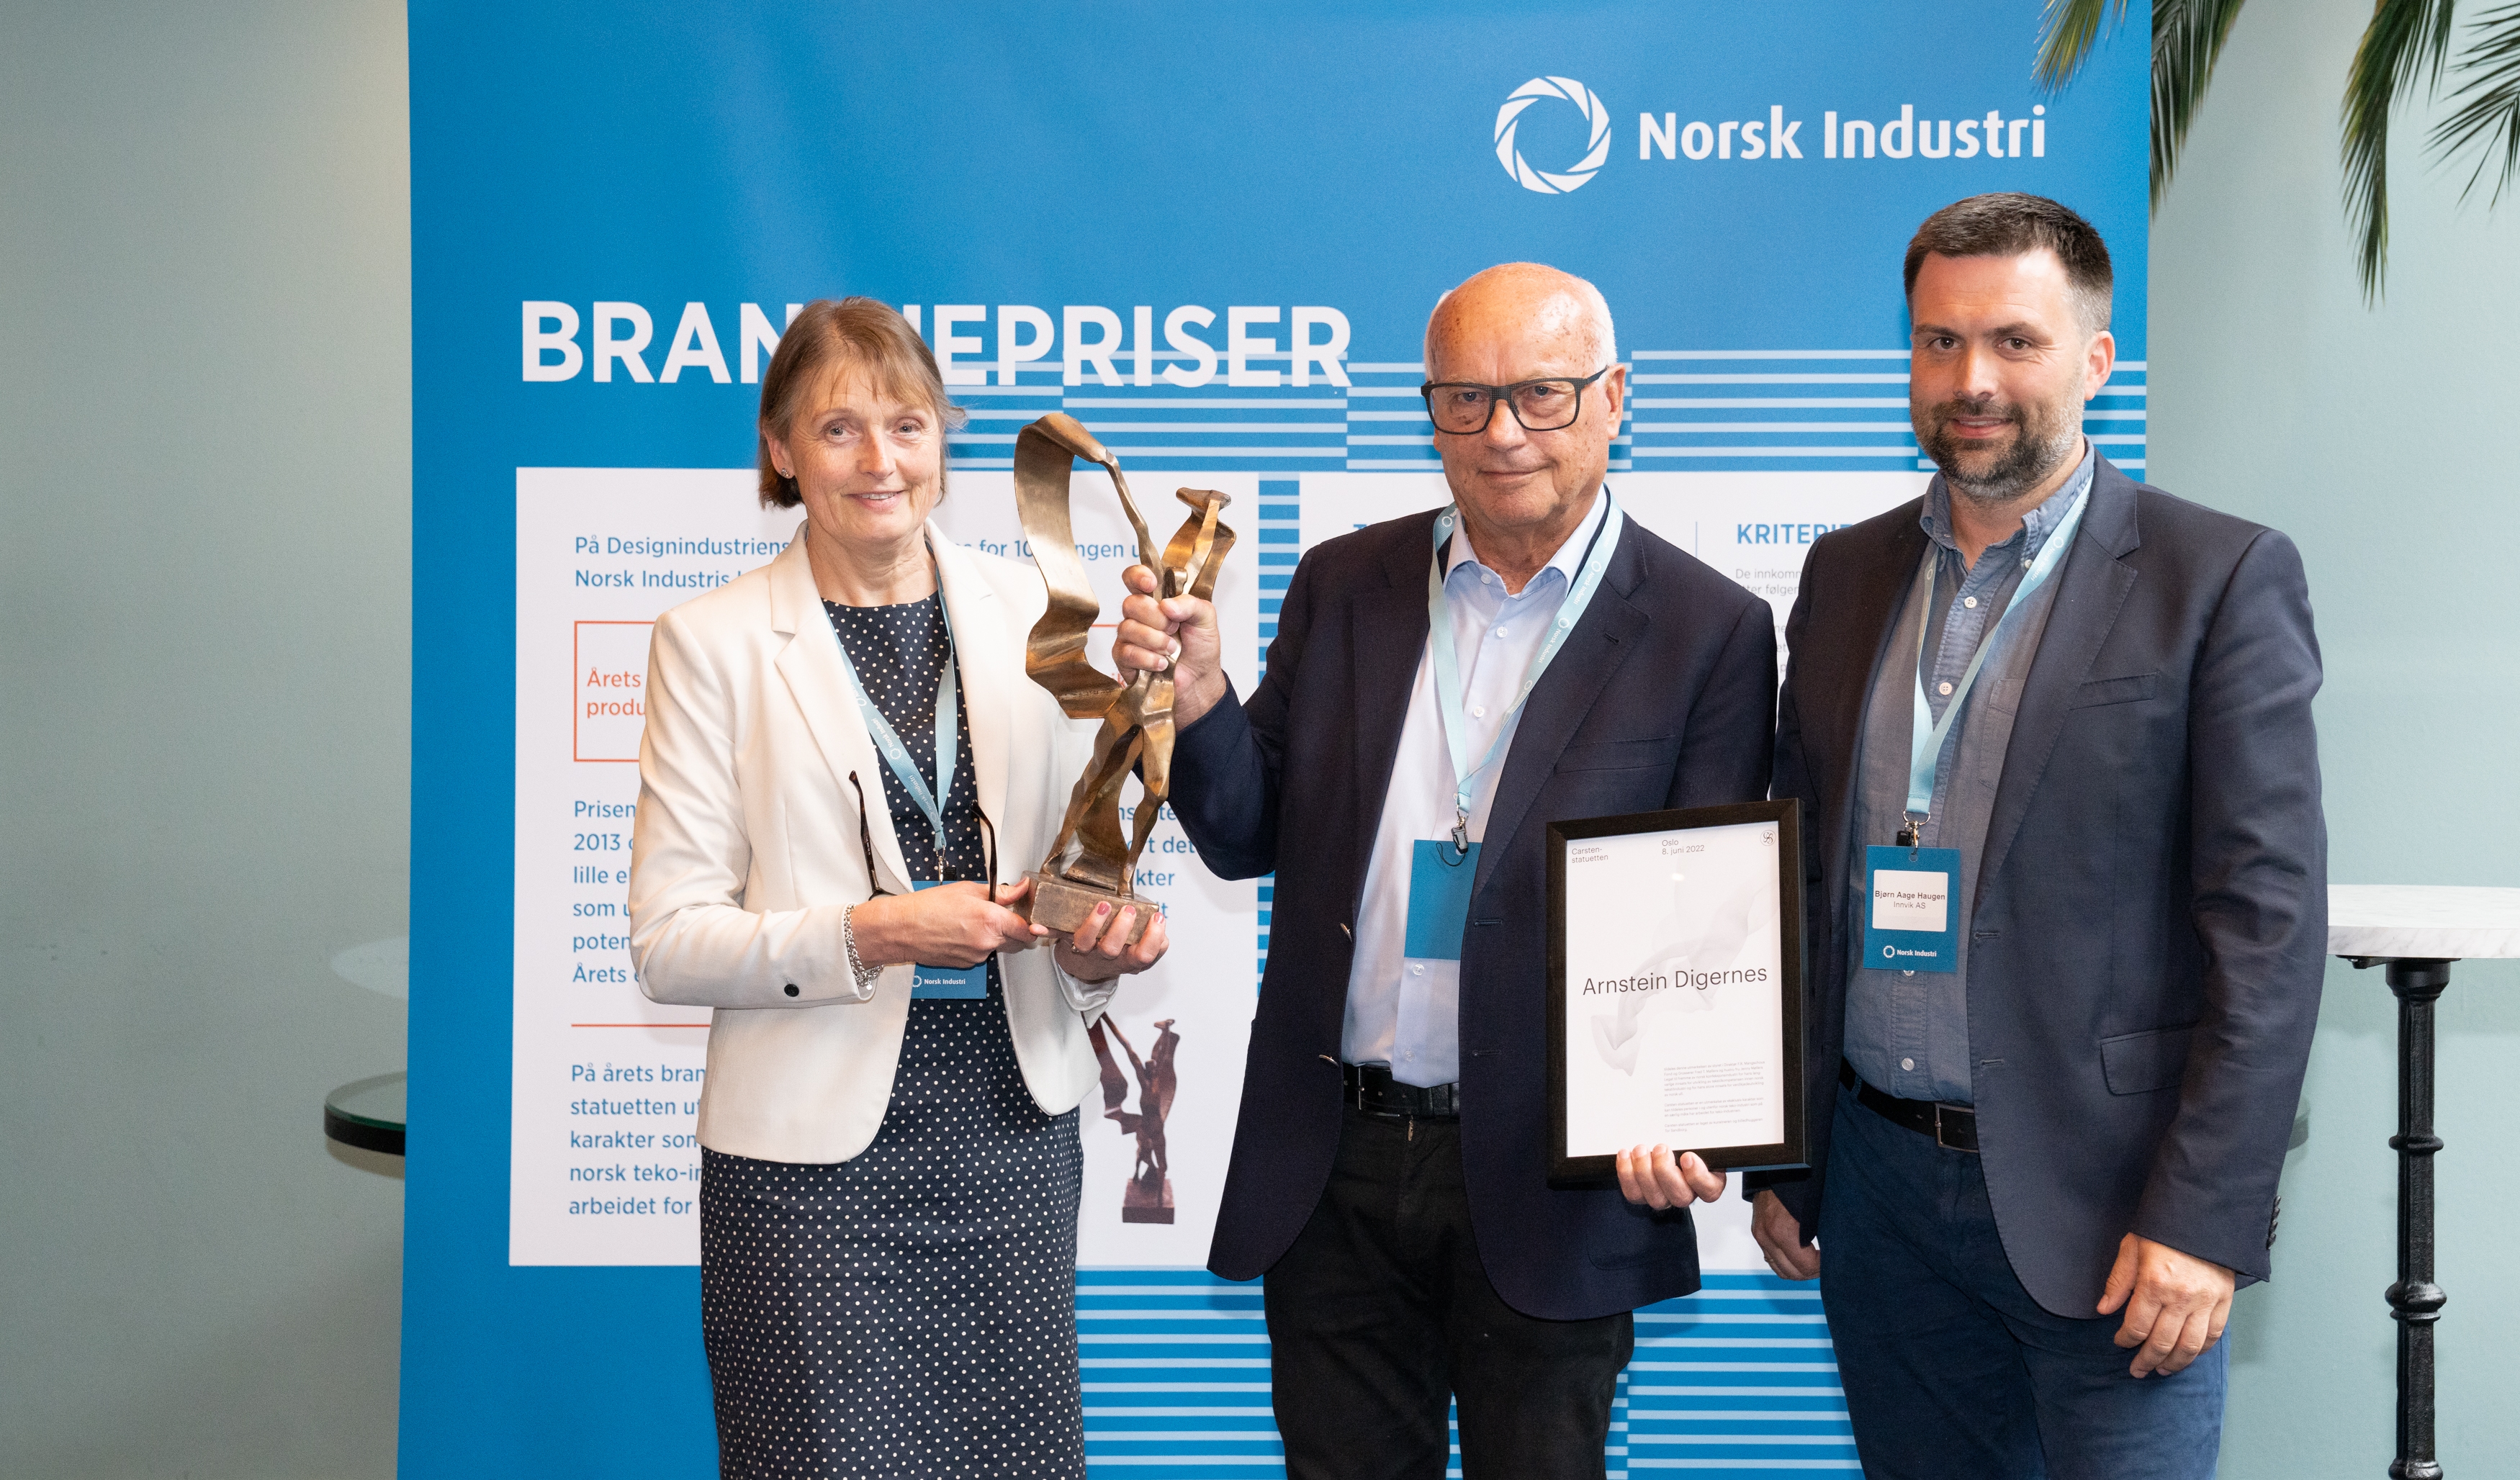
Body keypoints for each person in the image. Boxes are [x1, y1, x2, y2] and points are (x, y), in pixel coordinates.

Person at [1112, 263, 1778, 1479]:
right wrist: (1198, 695)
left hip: (1552, 1175)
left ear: (1616, 397)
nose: (1502, 432)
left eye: (1542, 394)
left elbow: (1710, 916)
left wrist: (1683, 1114)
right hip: (1335, 1159)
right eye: (1465, 399)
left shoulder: (1709, 627)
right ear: (1429, 412)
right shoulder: (1343, 583)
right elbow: (1246, 833)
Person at [1748, 194, 2325, 1479]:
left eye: (2015, 341)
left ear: (2097, 360)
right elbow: (1797, 887)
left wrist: (2205, 1218)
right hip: (1881, 1203)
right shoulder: (1844, 576)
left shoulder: (2216, 577)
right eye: (1940, 342)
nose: (1973, 380)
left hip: (2115, 1215)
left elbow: (2269, 934)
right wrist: (1785, 1151)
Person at [626, 297, 1169, 1479]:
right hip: (806, 1170)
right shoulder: (711, 641)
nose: (882, 460)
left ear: (943, 441)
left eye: (909, 425)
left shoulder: (1042, 615)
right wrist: (872, 933)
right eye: (840, 429)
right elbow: (668, 941)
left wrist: (1092, 948)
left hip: (1012, 1133)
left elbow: (1072, 875)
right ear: (781, 450)